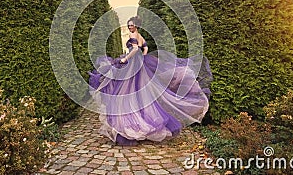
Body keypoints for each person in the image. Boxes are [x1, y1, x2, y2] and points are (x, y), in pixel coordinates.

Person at [88, 16, 212, 146]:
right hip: (139, 63)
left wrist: (126, 59)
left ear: (136, 26)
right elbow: (145, 48)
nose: (130, 27)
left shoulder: (134, 35)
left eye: (132, 25)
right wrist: (143, 57)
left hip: (132, 65)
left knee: (128, 90)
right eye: (129, 25)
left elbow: (135, 49)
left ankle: (132, 125)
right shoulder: (140, 35)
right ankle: (141, 121)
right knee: (142, 92)